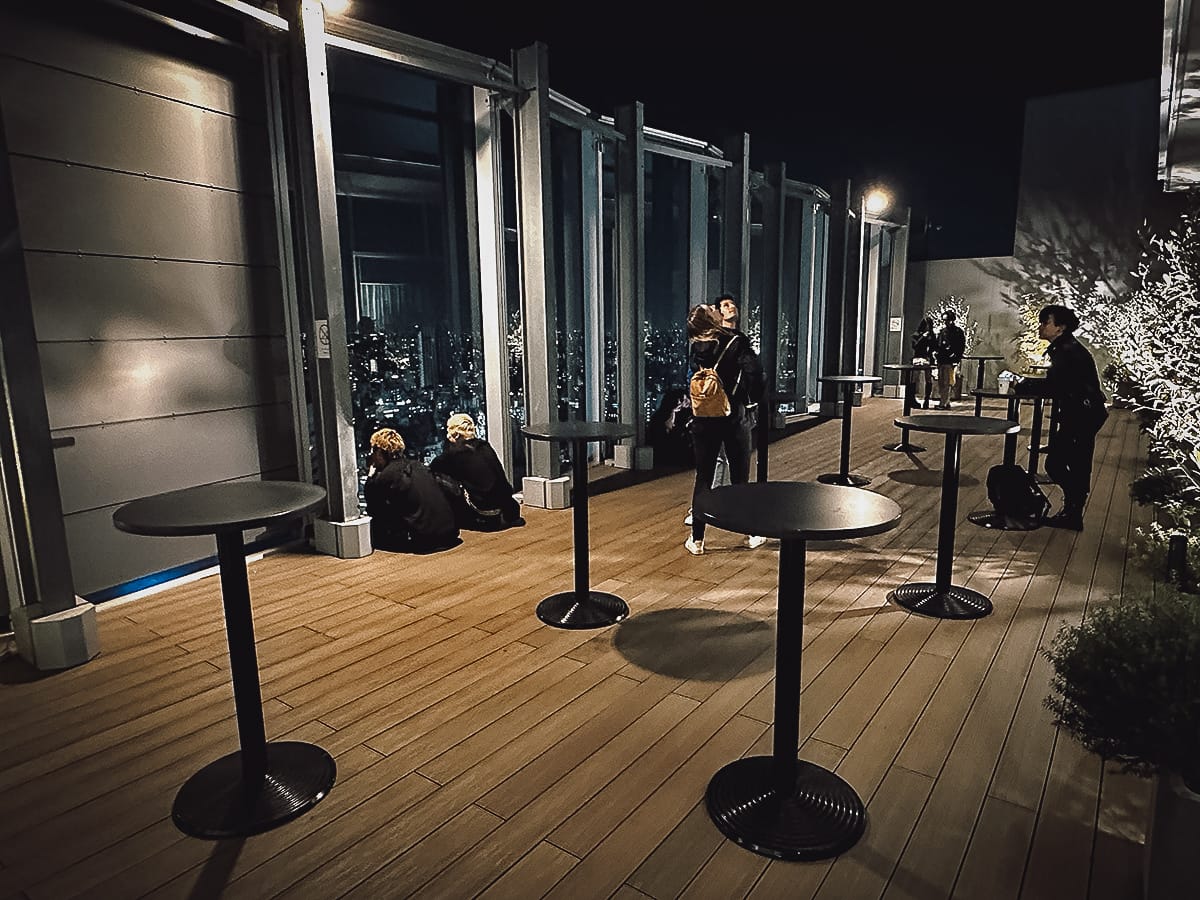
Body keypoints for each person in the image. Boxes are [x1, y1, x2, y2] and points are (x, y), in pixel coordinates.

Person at [1014, 304, 1108, 531]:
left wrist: (1026, 385)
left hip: (1082, 415)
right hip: (1082, 413)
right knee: (1071, 462)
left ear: (1060, 327)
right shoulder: (1066, 348)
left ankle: (1073, 512)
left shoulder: (1067, 351)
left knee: (1062, 463)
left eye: (1046, 322)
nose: (1041, 326)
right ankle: (1072, 511)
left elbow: (1057, 385)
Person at [685, 303, 766, 555]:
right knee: (740, 477)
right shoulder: (735, 342)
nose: (716, 307)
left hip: (704, 419)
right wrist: (751, 400)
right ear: (711, 319)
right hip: (733, 417)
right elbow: (756, 373)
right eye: (711, 308)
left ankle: (697, 540)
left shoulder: (695, 349)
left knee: (703, 478)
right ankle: (749, 533)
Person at [364, 428, 460, 552]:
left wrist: (370, 477)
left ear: (379, 452)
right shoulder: (419, 466)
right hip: (450, 534)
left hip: (426, 540)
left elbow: (373, 507)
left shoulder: (387, 476)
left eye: (373, 451)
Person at [429, 413, 524, 530]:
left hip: (483, 514)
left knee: (438, 479)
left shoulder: (453, 456)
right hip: (506, 508)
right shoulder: (484, 446)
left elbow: (432, 470)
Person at [935, 310, 966, 409]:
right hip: (942, 360)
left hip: (950, 361)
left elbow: (961, 347)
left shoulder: (957, 332)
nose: (946, 322)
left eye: (947, 320)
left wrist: (956, 357)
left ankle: (943, 403)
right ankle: (945, 402)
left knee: (947, 382)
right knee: (941, 382)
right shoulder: (943, 332)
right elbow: (938, 345)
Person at [910, 316, 937, 409]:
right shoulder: (916, 335)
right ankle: (912, 399)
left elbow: (934, 346)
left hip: (927, 358)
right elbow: (915, 346)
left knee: (928, 379)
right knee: (915, 379)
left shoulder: (932, 335)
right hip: (918, 357)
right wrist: (923, 337)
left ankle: (926, 399)